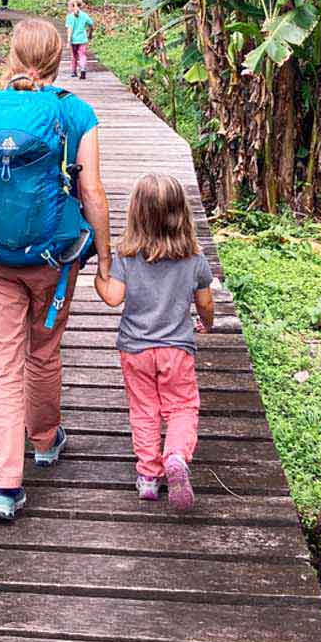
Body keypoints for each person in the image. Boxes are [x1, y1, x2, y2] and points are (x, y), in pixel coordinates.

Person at [0, 18, 112, 522]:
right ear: (58, 57)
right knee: (42, 351)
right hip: (52, 260)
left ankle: (5, 485)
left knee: (2, 366)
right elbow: (92, 193)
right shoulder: (75, 111)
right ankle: (45, 441)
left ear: (13, 54)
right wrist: (105, 262)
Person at [95, 173, 214, 510]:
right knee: (181, 407)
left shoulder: (126, 256)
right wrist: (207, 324)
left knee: (144, 410)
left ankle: (148, 477)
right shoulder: (194, 259)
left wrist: (99, 277)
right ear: (182, 214)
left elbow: (113, 298)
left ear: (136, 215)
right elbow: (205, 303)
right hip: (177, 349)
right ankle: (175, 455)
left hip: (135, 350)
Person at [65, 0, 94, 79]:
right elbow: (91, 24)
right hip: (83, 39)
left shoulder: (69, 17)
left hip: (74, 40)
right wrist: (90, 33)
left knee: (74, 56)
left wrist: (68, 40)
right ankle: (83, 69)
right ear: (80, 5)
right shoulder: (84, 16)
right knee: (82, 55)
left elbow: (69, 29)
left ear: (71, 6)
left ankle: (74, 72)